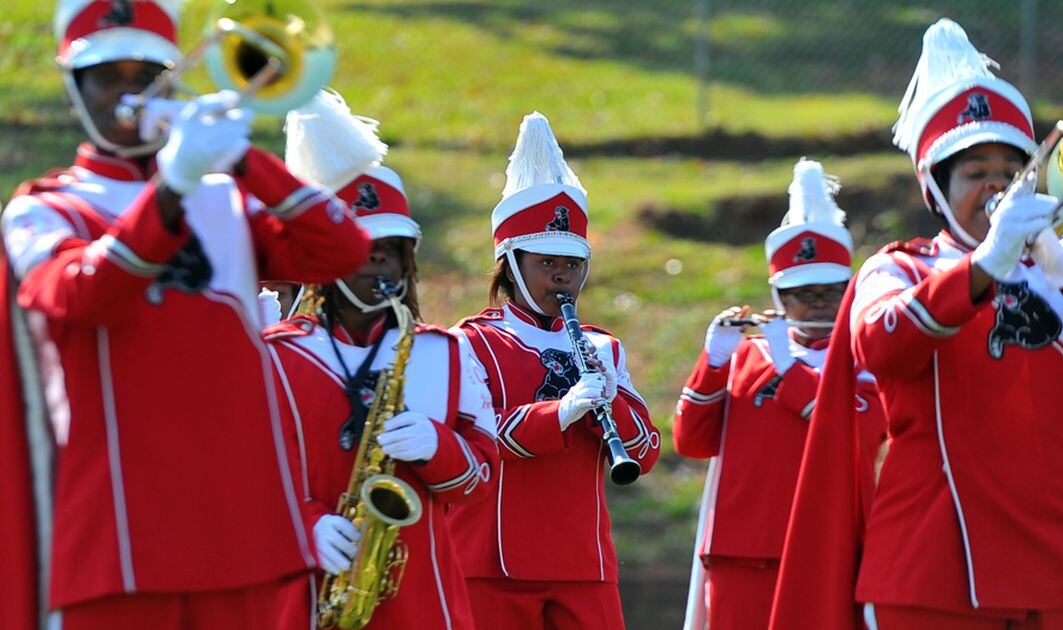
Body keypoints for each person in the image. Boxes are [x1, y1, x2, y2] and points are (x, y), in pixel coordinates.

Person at [769, 19, 1063, 630]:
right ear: (936, 189)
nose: (992, 185)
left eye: (1007, 168)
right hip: (934, 574)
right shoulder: (899, 268)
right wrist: (986, 264)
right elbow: (882, 345)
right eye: (971, 171)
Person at [0, 1, 372, 628]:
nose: (128, 94)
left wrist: (243, 158)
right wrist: (170, 187)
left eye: (145, 76)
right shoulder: (41, 209)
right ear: (74, 89)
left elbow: (339, 250)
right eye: (106, 77)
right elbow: (86, 295)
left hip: (238, 533)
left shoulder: (225, 194)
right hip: (115, 536)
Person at [265, 91, 498, 629]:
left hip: (422, 600)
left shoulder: (443, 353)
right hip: (306, 591)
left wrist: (440, 446)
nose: (378, 265)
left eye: (389, 251)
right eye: (361, 250)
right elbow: (235, 480)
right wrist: (304, 525)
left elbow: (480, 481)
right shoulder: (276, 356)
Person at [446, 112, 660, 630]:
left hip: (585, 562)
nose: (562, 275)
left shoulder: (602, 348)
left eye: (572, 264)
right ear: (512, 264)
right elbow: (476, 439)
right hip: (491, 562)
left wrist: (617, 400)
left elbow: (646, 452)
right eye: (547, 263)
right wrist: (561, 412)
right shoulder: (470, 341)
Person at [675, 158, 887, 630]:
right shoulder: (748, 355)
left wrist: (789, 370)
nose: (817, 306)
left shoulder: (867, 358)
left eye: (830, 293)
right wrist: (711, 364)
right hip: (742, 552)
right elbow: (692, 441)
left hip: (832, 547)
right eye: (801, 295)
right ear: (778, 297)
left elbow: (858, 433)